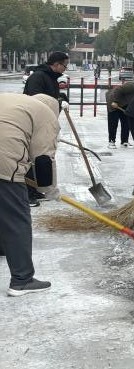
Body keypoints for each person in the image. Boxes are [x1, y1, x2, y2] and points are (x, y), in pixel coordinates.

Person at [0, 93, 60, 296]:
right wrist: (49, 191)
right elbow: (43, 160)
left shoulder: (15, 101)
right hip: (4, 157)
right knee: (16, 218)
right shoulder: (47, 114)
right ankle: (22, 279)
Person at [23, 51, 69, 206]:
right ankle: (28, 193)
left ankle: (35, 189)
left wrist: (61, 99)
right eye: (64, 65)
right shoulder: (38, 77)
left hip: (44, 122)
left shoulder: (51, 78)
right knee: (31, 157)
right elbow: (35, 100)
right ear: (55, 64)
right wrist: (56, 101)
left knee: (40, 157)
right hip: (33, 122)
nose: (65, 68)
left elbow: (50, 97)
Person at [106, 83, 131, 148]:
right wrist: (115, 101)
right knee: (113, 123)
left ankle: (124, 141)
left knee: (126, 122)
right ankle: (111, 141)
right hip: (112, 100)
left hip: (124, 103)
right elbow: (118, 89)